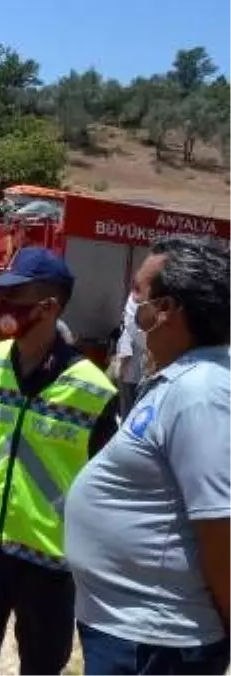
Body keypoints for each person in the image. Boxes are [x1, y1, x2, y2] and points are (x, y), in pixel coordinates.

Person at [0, 247, 119, 676]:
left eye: (16, 296)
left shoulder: (92, 390)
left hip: (48, 557)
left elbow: (105, 481)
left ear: (49, 306)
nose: (3, 306)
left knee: (41, 665)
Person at [65, 235, 231, 676]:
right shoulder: (180, 380)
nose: (130, 304)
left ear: (168, 310)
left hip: (157, 642)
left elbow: (220, 526)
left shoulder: (201, 393)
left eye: (138, 292)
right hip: (133, 632)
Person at [109, 292, 146, 420]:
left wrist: (118, 371)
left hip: (127, 377)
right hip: (141, 376)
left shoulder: (129, 330)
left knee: (127, 409)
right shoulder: (144, 332)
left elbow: (125, 353)